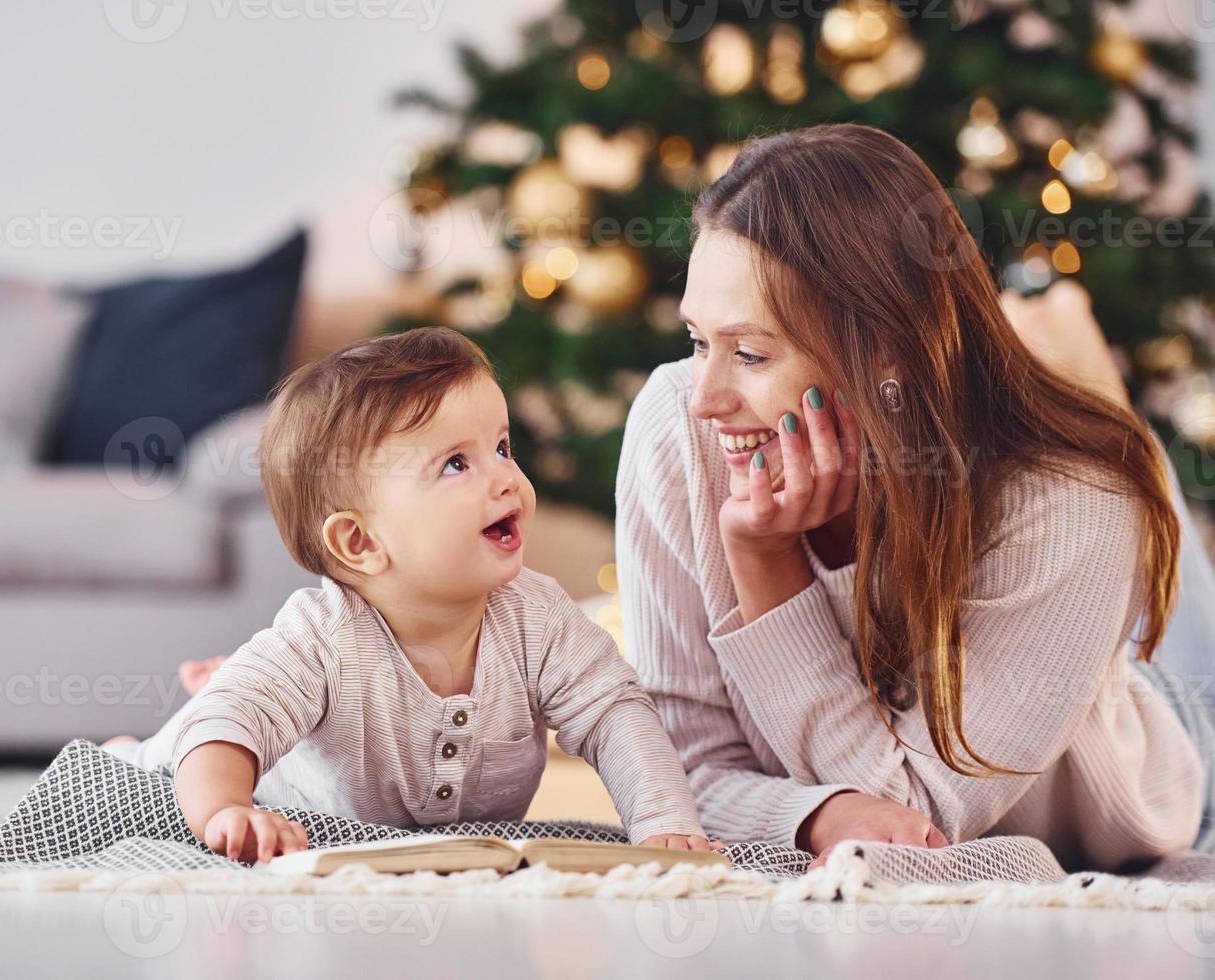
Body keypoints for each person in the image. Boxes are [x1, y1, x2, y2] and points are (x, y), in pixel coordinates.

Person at [617, 122, 1211, 873]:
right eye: (699, 341)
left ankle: (1071, 354)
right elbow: (674, 776)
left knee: (1136, 498)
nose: (705, 398)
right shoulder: (678, 426)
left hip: (1141, 776)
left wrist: (768, 564)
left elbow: (923, 820)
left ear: (888, 346)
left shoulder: (1075, 505)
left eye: (752, 353)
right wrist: (818, 819)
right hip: (1046, 647)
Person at [108, 327, 715, 863]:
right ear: (360, 541)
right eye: (456, 464)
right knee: (174, 756)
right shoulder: (324, 636)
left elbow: (616, 714)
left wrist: (663, 823)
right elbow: (225, 729)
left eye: (501, 448)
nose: (506, 477)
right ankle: (147, 740)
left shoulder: (540, 618)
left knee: (252, 692)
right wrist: (224, 812)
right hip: (264, 789)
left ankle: (233, 677)